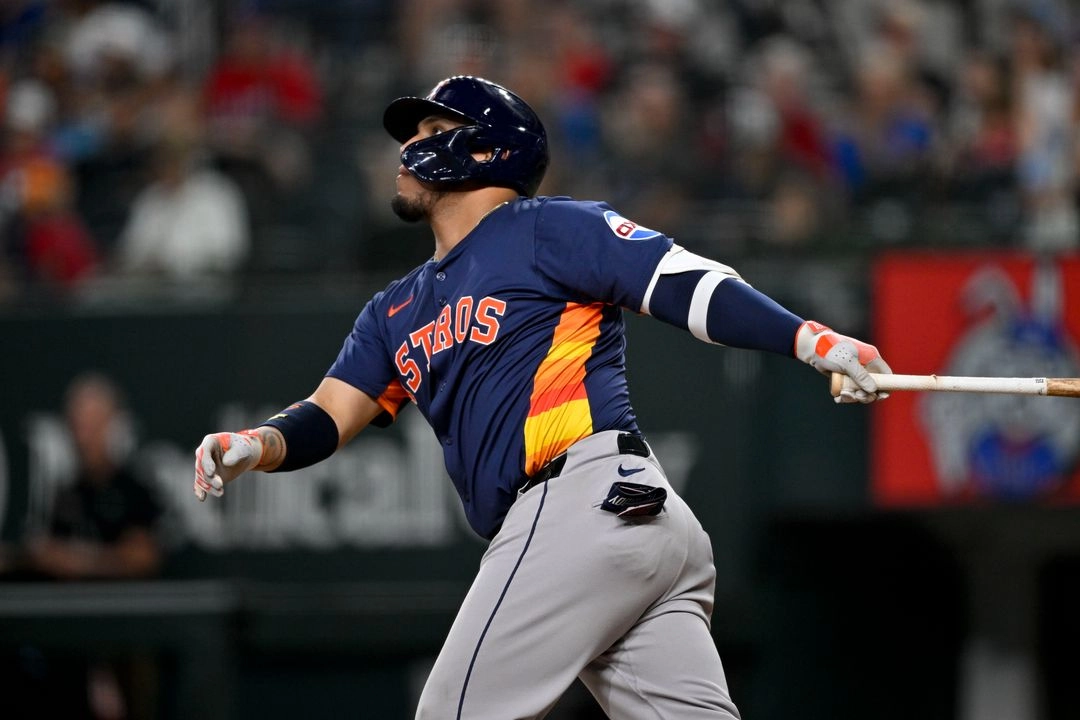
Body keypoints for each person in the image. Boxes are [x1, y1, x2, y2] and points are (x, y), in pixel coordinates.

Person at [193, 76, 892, 719]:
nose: (408, 147)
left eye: (433, 131)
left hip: (581, 500)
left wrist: (811, 339)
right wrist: (257, 445)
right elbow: (328, 415)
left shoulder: (542, 227)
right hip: (628, 526)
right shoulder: (393, 309)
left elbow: (684, 282)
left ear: (487, 150)